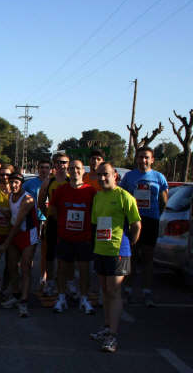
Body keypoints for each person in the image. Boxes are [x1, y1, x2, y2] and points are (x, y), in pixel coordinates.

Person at [90, 162, 141, 353]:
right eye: (99, 175)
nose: (102, 178)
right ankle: (106, 328)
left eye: (106, 175)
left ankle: (113, 335)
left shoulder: (124, 197)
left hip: (119, 251)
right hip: (101, 250)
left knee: (114, 291)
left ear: (115, 176)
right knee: (104, 290)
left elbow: (136, 225)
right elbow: (96, 224)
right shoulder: (98, 197)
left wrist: (129, 246)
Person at [119, 146, 168, 306]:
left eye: (146, 157)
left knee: (148, 257)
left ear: (152, 159)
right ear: (136, 159)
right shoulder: (129, 177)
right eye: (140, 157)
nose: (143, 160)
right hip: (132, 221)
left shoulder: (159, 177)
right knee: (130, 256)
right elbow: (122, 198)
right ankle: (128, 291)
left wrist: (158, 216)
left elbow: (164, 201)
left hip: (150, 221)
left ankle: (147, 292)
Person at [49, 160, 97, 314]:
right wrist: (63, 225)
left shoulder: (91, 191)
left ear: (83, 171)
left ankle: (84, 298)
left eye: (78, 168)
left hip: (84, 238)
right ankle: (61, 297)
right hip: (65, 237)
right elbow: (54, 210)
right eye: (72, 168)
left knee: (84, 270)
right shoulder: (61, 190)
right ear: (68, 171)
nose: (75, 171)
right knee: (62, 269)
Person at [0, 173, 39, 317]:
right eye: (12, 182)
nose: (14, 185)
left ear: (21, 184)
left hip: (27, 234)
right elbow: (13, 215)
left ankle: (24, 301)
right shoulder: (11, 196)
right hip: (16, 233)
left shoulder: (27, 199)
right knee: (11, 265)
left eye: (17, 183)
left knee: (25, 266)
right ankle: (16, 294)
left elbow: (18, 223)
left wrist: (5, 244)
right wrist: (0, 210)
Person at [37, 152, 70, 296]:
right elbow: (40, 201)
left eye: (64, 162)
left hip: (69, 224)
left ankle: (67, 283)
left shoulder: (71, 180)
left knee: (68, 255)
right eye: (58, 162)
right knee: (50, 255)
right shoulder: (49, 181)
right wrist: (49, 214)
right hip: (53, 223)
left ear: (68, 164)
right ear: (54, 165)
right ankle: (50, 282)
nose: (61, 165)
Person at [23, 159, 51, 290]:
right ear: (37, 169)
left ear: (50, 169)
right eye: (41, 167)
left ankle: (43, 278)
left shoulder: (54, 182)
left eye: (46, 167)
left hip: (47, 219)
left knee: (46, 251)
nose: (44, 169)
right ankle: (26, 277)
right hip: (32, 220)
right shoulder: (29, 183)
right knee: (30, 250)